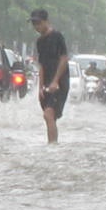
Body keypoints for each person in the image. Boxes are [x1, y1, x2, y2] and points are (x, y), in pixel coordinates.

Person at [30, 7, 70, 144]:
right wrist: (40, 87)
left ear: (46, 21)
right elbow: (41, 65)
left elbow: (64, 59)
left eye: (38, 23)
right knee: (49, 116)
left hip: (60, 82)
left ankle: (53, 146)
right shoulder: (39, 42)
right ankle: (52, 145)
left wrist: (55, 81)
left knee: (48, 114)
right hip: (47, 83)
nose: (36, 26)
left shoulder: (57, 37)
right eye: (34, 24)